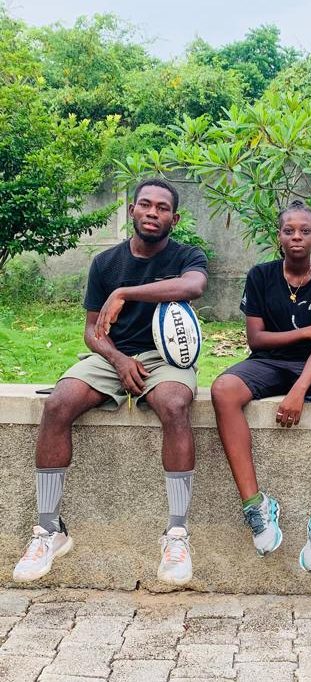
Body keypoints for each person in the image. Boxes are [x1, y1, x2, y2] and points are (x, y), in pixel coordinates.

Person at [12, 178, 208, 587]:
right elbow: (91, 330)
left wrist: (127, 292)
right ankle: (50, 530)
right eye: (145, 205)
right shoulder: (105, 263)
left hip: (164, 357)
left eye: (162, 208)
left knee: (174, 405)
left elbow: (194, 287)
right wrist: (118, 360)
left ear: (175, 217)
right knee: (58, 404)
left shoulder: (187, 255)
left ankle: (176, 535)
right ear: (132, 210)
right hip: (111, 355)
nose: (152, 213)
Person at [211, 200, 311, 575]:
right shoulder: (260, 276)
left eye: (304, 230)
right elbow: (256, 340)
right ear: (278, 236)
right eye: (289, 230)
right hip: (268, 361)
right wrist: (308, 330)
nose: (296, 237)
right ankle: (256, 506)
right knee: (224, 389)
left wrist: (299, 390)